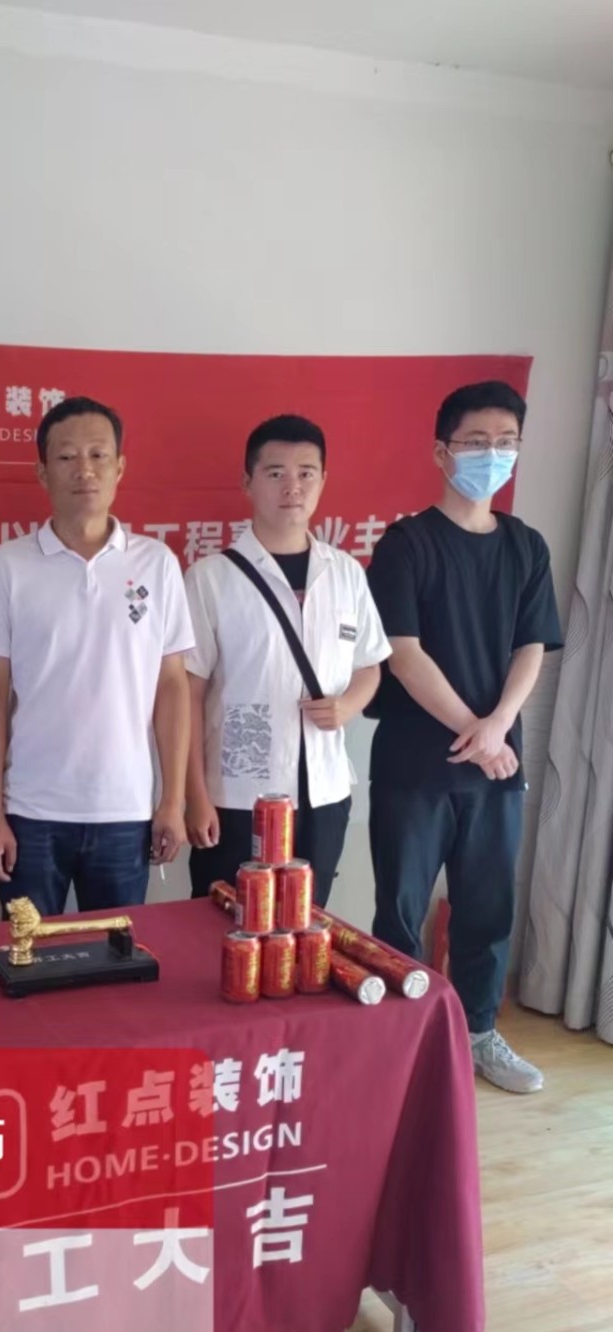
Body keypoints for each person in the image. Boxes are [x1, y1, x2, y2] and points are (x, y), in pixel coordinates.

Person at [366, 380, 563, 1094]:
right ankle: (397, 1040)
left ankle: (479, 1033)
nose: (492, 455)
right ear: (441, 451)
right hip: (416, 764)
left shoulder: (525, 546)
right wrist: (475, 731)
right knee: (401, 910)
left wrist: (498, 726)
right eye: (476, 442)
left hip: (496, 765)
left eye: (505, 442)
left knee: (487, 909)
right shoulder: (406, 543)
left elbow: (532, 646)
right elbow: (403, 653)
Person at [0, 395, 193, 917]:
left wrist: (172, 801)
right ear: (42, 472)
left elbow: (172, 687)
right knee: (27, 957)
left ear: (120, 467)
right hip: (30, 811)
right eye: (67, 457)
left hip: (125, 810)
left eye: (98, 455)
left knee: (116, 956)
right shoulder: (6, 567)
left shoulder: (157, 563)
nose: (84, 470)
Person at [184, 415, 390, 907]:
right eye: (275, 473)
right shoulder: (210, 578)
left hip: (324, 793)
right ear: (247, 482)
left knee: (309, 922)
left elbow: (370, 664)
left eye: (306, 473)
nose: (292, 486)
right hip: (235, 795)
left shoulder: (345, 573)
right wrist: (194, 794)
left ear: (323, 481)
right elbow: (187, 693)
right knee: (223, 922)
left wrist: (348, 706)